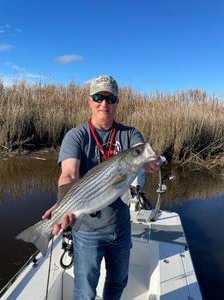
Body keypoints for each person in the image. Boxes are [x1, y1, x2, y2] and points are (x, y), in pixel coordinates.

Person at [43, 75, 160, 300]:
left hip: (121, 228)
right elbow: (69, 173)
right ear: (89, 100)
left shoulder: (129, 134)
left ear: (117, 102)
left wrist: (149, 159)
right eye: (98, 97)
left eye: (110, 98)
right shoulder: (76, 136)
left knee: (118, 282)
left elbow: (140, 149)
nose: (103, 104)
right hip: (87, 231)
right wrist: (62, 205)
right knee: (85, 292)